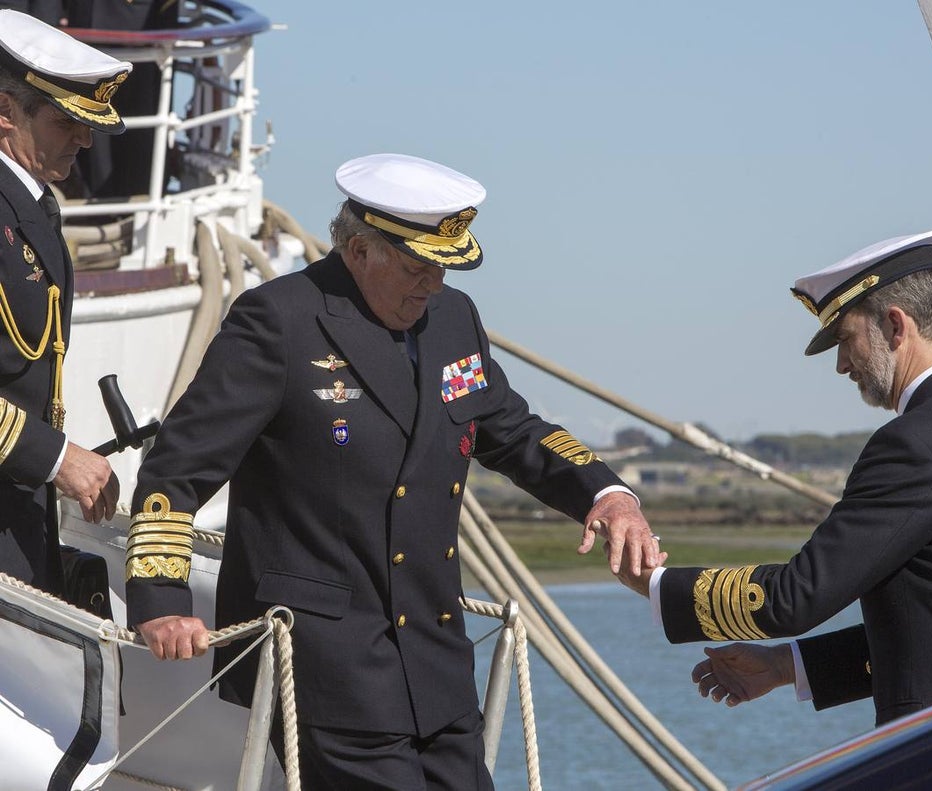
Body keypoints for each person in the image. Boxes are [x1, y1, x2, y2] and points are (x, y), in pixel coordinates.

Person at [124, 152, 663, 789]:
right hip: (324, 661)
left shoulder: (453, 320)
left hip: (435, 661)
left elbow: (513, 430)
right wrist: (161, 599)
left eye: (444, 266)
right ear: (359, 250)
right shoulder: (280, 320)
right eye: (417, 266)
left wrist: (607, 493)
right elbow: (178, 468)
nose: (433, 284)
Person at [617, 230, 932, 725]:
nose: (841, 364)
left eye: (846, 338)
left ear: (895, 325)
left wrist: (655, 585)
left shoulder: (913, 446)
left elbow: (794, 597)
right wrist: (786, 666)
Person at [0, 9, 126, 592]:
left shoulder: (33, 207)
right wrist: (55, 459)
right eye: (65, 121)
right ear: (5, 112)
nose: (85, 138)